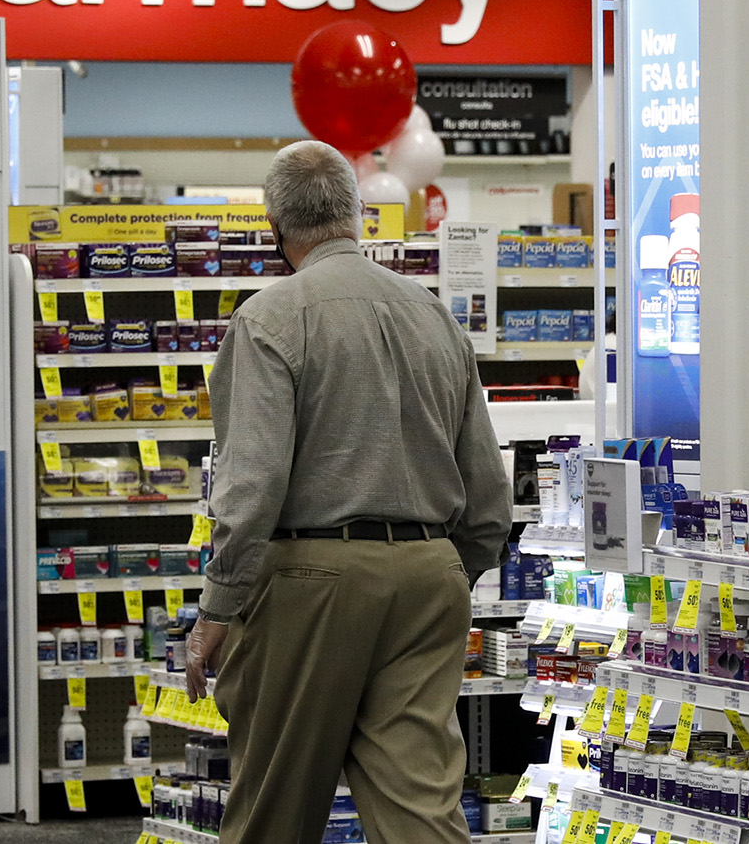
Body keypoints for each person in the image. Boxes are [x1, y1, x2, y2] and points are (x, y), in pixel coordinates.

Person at [184, 140, 511, 844]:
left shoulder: (271, 319)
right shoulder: (434, 316)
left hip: (311, 582)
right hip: (429, 579)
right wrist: (450, 568)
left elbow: (253, 485)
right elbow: (489, 493)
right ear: (358, 215)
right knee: (420, 809)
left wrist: (219, 605)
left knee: (274, 807)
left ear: (275, 227)